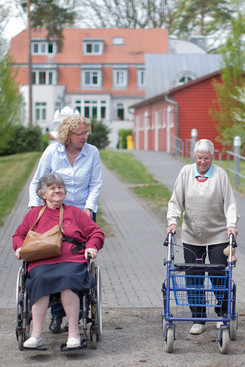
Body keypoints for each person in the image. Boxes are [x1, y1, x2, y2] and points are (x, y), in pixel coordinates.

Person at [28, 113, 102, 333]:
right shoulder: (52, 152)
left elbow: (96, 184)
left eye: (86, 133)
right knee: (53, 258)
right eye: (80, 134)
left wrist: (88, 209)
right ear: (67, 135)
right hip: (53, 212)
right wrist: (34, 210)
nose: (84, 137)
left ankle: (73, 311)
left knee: (75, 261)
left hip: (81, 213)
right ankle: (58, 315)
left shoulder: (92, 153)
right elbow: (37, 181)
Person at [13, 172, 104, 349]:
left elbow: (97, 233)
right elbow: (18, 235)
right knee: (38, 278)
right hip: (41, 261)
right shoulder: (33, 215)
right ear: (42, 194)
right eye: (52, 188)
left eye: (60, 187)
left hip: (71, 260)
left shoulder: (75, 213)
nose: (57, 191)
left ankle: (74, 335)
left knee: (68, 279)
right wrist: (18, 247)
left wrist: (92, 246)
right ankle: (36, 335)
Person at [166, 139, 239, 335]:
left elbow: (230, 204)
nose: (203, 162)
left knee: (218, 276)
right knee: (194, 278)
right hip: (191, 236)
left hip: (217, 235)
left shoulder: (220, 175)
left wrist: (231, 225)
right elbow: (175, 201)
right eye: (199, 158)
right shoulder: (185, 173)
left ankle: (222, 314)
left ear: (212, 157)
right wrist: (172, 221)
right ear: (194, 156)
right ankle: (198, 318)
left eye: (206, 158)